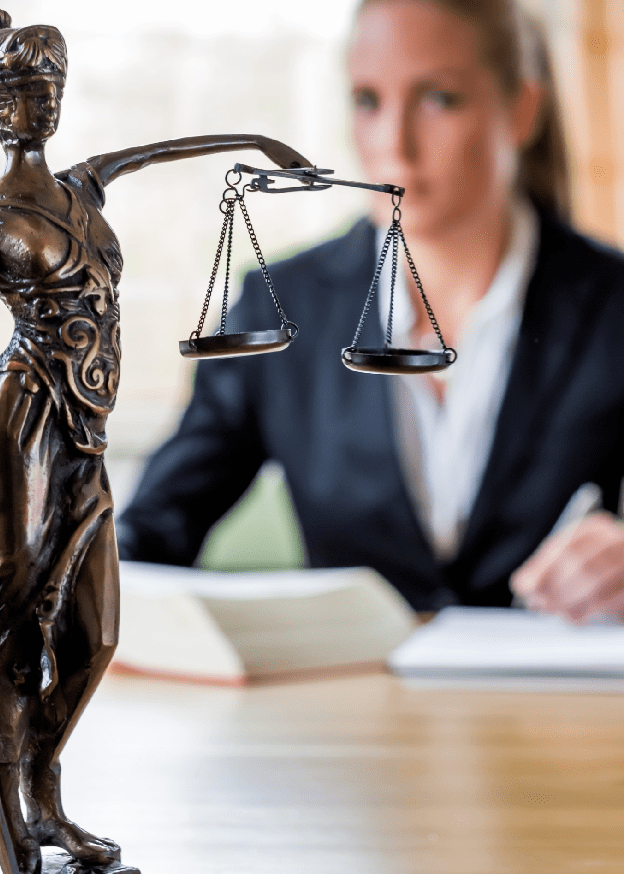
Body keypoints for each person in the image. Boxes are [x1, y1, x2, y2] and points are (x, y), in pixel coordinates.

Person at [0, 7, 309, 874]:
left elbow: (160, 149)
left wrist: (258, 139)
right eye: (24, 92)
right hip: (18, 415)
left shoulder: (82, 186)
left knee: (96, 629)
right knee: (17, 597)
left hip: (84, 422)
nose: (42, 105)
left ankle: (37, 781)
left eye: (52, 90)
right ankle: (10, 782)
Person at [117, 0, 624, 622]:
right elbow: (151, 532)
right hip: (348, 710)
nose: (393, 143)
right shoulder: (281, 305)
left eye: (438, 98)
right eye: (367, 100)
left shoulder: (612, 306)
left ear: (521, 110)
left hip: (553, 714)